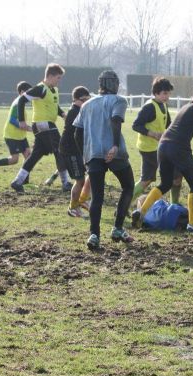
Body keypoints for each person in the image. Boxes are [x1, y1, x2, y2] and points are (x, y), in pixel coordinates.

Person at [131, 86, 193, 234]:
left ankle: (142, 212)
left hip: (163, 146)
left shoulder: (188, 107)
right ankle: (192, 224)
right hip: (178, 148)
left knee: (165, 183)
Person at [73, 70, 135, 250]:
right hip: (115, 153)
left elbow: (77, 132)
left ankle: (94, 234)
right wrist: (114, 146)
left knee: (97, 196)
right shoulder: (119, 100)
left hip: (93, 154)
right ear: (114, 84)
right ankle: (117, 228)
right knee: (128, 186)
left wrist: (85, 154)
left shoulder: (87, 104)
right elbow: (116, 121)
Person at [10, 63, 71, 193]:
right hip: (44, 124)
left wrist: (62, 114)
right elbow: (22, 100)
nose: (59, 80)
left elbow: (53, 106)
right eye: (58, 78)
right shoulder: (40, 88)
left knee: (36, 154)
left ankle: (17, 181)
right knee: (60, 150)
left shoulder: (53, 90)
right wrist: (21, 120)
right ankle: (66, 183)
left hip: (42, 126)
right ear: (50, 76)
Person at [131, 77, 183, 204]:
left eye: (169, 93)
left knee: (177, 175)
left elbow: (169, 125)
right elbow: (136, 125)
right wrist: (153, 134)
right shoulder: (149, 107)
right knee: (147, 180)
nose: (167, 96)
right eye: (165, 93)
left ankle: (174, 206)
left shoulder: (163, 105)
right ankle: (124, 204)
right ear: (156, 93)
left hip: (160, 148)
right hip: (149, 149)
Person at [0, 81, 33, 178]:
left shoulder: (21, 102)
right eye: (28, 92)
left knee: (28, 156)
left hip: (20, 136)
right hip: (12, 135)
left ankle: (24, 182)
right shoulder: (18, 103)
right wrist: (27, 128)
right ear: (21, 92)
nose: (30, 95)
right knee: (14, 159)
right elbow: (12, 120)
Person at [59, 86, 92, 218]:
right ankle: (73, 208)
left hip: (75, 149)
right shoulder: (75, 112)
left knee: (84, 178)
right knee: (79, 180)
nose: (86, 103)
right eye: (84, 100)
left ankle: (81, 201)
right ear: (76, 100)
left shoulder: (78, 110)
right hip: (70, 150)